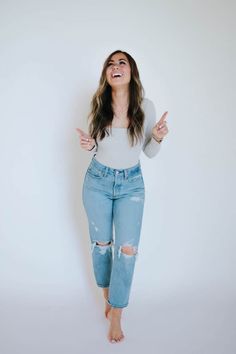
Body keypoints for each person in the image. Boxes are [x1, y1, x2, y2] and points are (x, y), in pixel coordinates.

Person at [76, 50, 169, 343]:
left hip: (132, 185)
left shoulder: (146, 107)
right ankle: (107, 294)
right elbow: (96, 149)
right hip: (98, 182)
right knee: (102, 245)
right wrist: (89, 144)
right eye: (110, 64)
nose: (116, 67)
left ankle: (116, 311)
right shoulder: (98, 104)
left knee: (127, 250)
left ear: (131, 71)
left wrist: (158, 136)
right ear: (106, 74)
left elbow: (149, 153)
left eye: (122, 62)